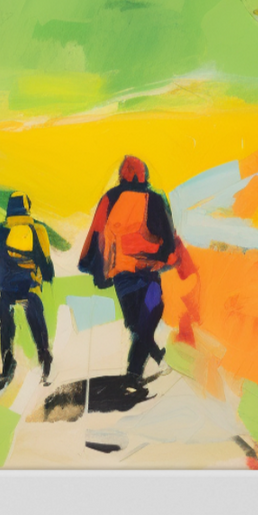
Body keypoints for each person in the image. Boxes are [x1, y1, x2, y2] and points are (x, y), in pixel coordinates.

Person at [78, 154, 181, 383]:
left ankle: (140, 369)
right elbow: (168, 238)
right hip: (148, 272)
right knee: (149, 318)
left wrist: (95, 268)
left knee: (137, 325)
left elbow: (97, 233)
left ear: (121, 175)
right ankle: (137, 372)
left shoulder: (110, 198)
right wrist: (166, 258)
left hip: (122, 276)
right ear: (144, 175)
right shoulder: (155, 199)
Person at [0, 192, 56, 383]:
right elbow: (46, 261)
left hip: (6, 288)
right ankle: (44, 354)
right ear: (27, 207)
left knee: (5, 322)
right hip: (30, 287)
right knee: (35, 318)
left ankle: (7, 360)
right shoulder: (38, 229)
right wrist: (47, 276)